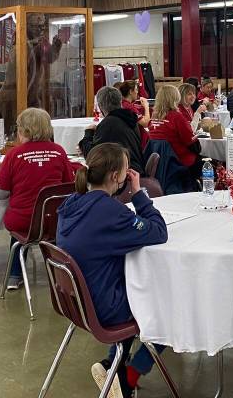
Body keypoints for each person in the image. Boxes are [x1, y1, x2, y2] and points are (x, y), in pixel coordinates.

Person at [56, 143, 168, 398]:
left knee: (129, 290)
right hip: (104, 308)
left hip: (75, 302)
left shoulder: (72, 203)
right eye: (126, 170)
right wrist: (138, 194)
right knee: (169, 306)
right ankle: (130, 375)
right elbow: (159, 231)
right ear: (117, 176)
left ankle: (112, 365)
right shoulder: (110, 213)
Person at [0, 108, 74, 290]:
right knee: (45, 225)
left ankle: (14, 275)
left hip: (23, 221)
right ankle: (60, 271)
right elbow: (69, 186)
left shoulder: (14, 155)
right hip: (54, 221)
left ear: (23, 130)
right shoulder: (59, 152)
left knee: (21, 233)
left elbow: (0, 193)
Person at [81, 86, 147, 172]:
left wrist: (88, 133)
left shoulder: (108, 124)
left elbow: (92, 157)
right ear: (120, 102)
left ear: (100, 106)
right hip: (136, 168)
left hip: (123, 173)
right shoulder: (129, 119)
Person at [148, 85, 200, 177]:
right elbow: (192, 143)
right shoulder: (176, 117)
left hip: (159, 163)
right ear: (175, 98)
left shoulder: (153, 117)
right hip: (179, 160)